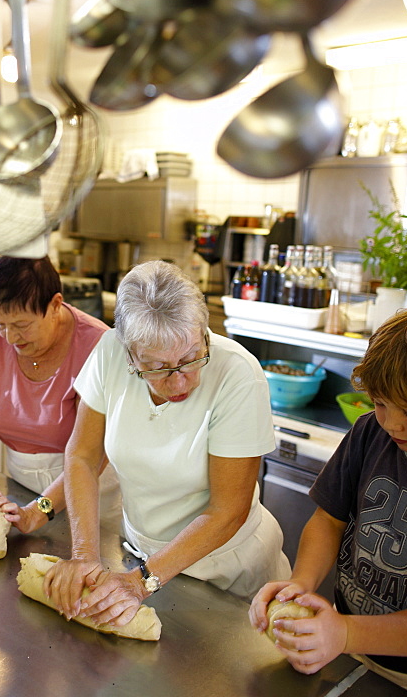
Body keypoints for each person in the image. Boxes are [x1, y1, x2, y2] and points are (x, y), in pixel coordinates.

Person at [45, 259, 290, 628]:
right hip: (142, 558)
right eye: (158, 368)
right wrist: (84, 555)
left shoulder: (238, 374)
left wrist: (141, 581)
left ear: (205, 333)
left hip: (227, 569)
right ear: (130, 355)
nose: (179, 383)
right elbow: (82, 455)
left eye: (192, 359)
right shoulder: (110, 351)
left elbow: (228, 510)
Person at [250, 309, 407, 692]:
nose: (393, 423)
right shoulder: (369, 432)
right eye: (380, 402)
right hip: (353, 646)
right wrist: (302, 582)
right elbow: (329, 520)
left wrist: (345, 633)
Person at [0, 255, 112, 533]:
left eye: (21, 325)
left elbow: (88, 455)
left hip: (89, 495)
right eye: (0, 323)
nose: (9, 338)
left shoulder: (97, 345)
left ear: (54, 305)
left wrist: (37, 511)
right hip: (21, 486)